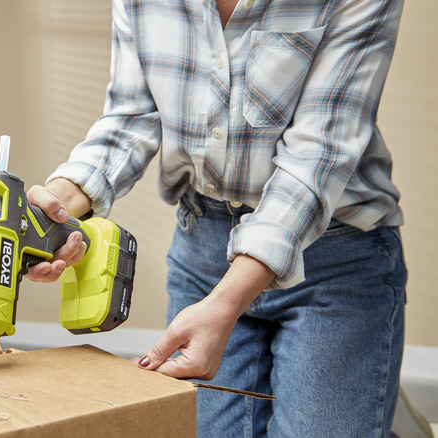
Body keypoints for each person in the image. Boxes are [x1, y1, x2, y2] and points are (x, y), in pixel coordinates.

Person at [25, 0, 407, 436]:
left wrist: (225, 303)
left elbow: (318, 151)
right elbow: (131, 115)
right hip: (203, 246)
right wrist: (53, 205)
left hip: (334, 259)